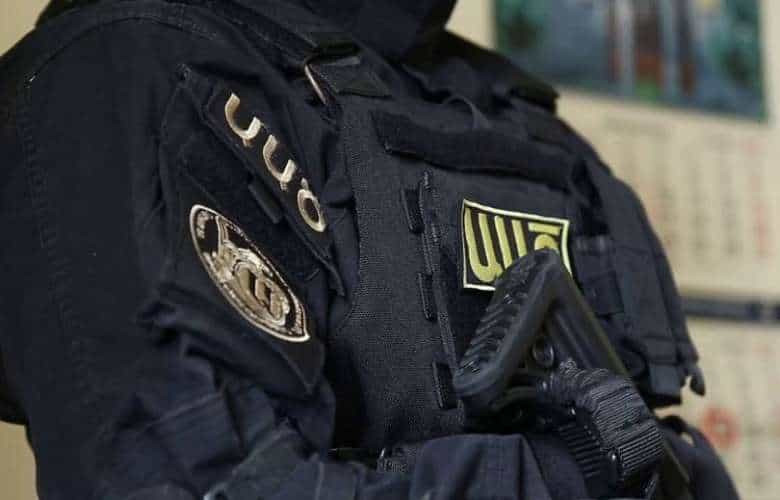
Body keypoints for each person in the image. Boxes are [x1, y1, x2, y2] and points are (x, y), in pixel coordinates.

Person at [0, 1, 739, 499]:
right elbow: (203, 478)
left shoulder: (524, 123)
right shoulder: (128, 68)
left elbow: (658, 442)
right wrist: (567, 472)